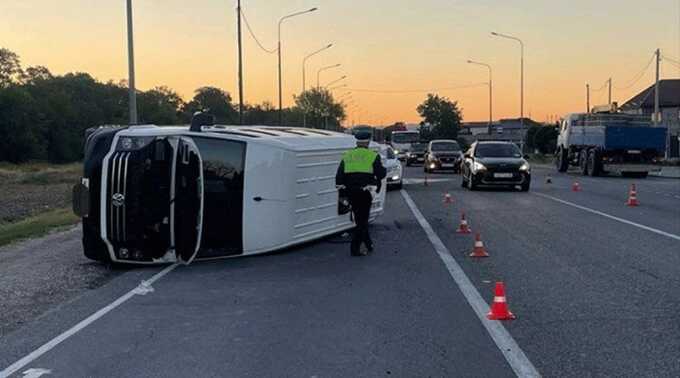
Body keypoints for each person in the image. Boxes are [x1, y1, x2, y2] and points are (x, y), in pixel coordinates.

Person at [335, 132, 386, 256]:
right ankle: (355, 248)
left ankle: (368, 244)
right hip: (365, 192)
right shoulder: (372, 156)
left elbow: (339, 176)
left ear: (356, 142)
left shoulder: (348, 155)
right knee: (363, 220)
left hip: (350, 192)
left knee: (359, 219)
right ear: (368, 142)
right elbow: (381, 174)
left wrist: (342, 192)